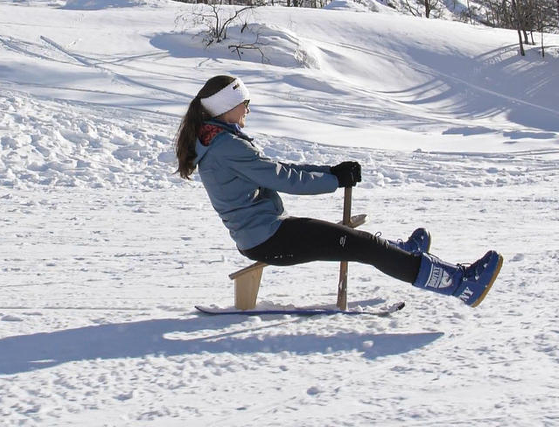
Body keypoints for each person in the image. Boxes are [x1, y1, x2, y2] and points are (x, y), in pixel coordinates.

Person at [174, 74, 502, 307]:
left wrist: (331, 173)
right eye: (244, 102)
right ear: (225, 107)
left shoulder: (216, 141)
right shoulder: (226, 146)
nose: (248, 107)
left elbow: (276, 168)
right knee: (365, 247)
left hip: (266, 233)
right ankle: (459, 285)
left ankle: (403, 255)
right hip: (268, 238)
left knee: (360, 243)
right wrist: (335, 181)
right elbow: (281, 178)